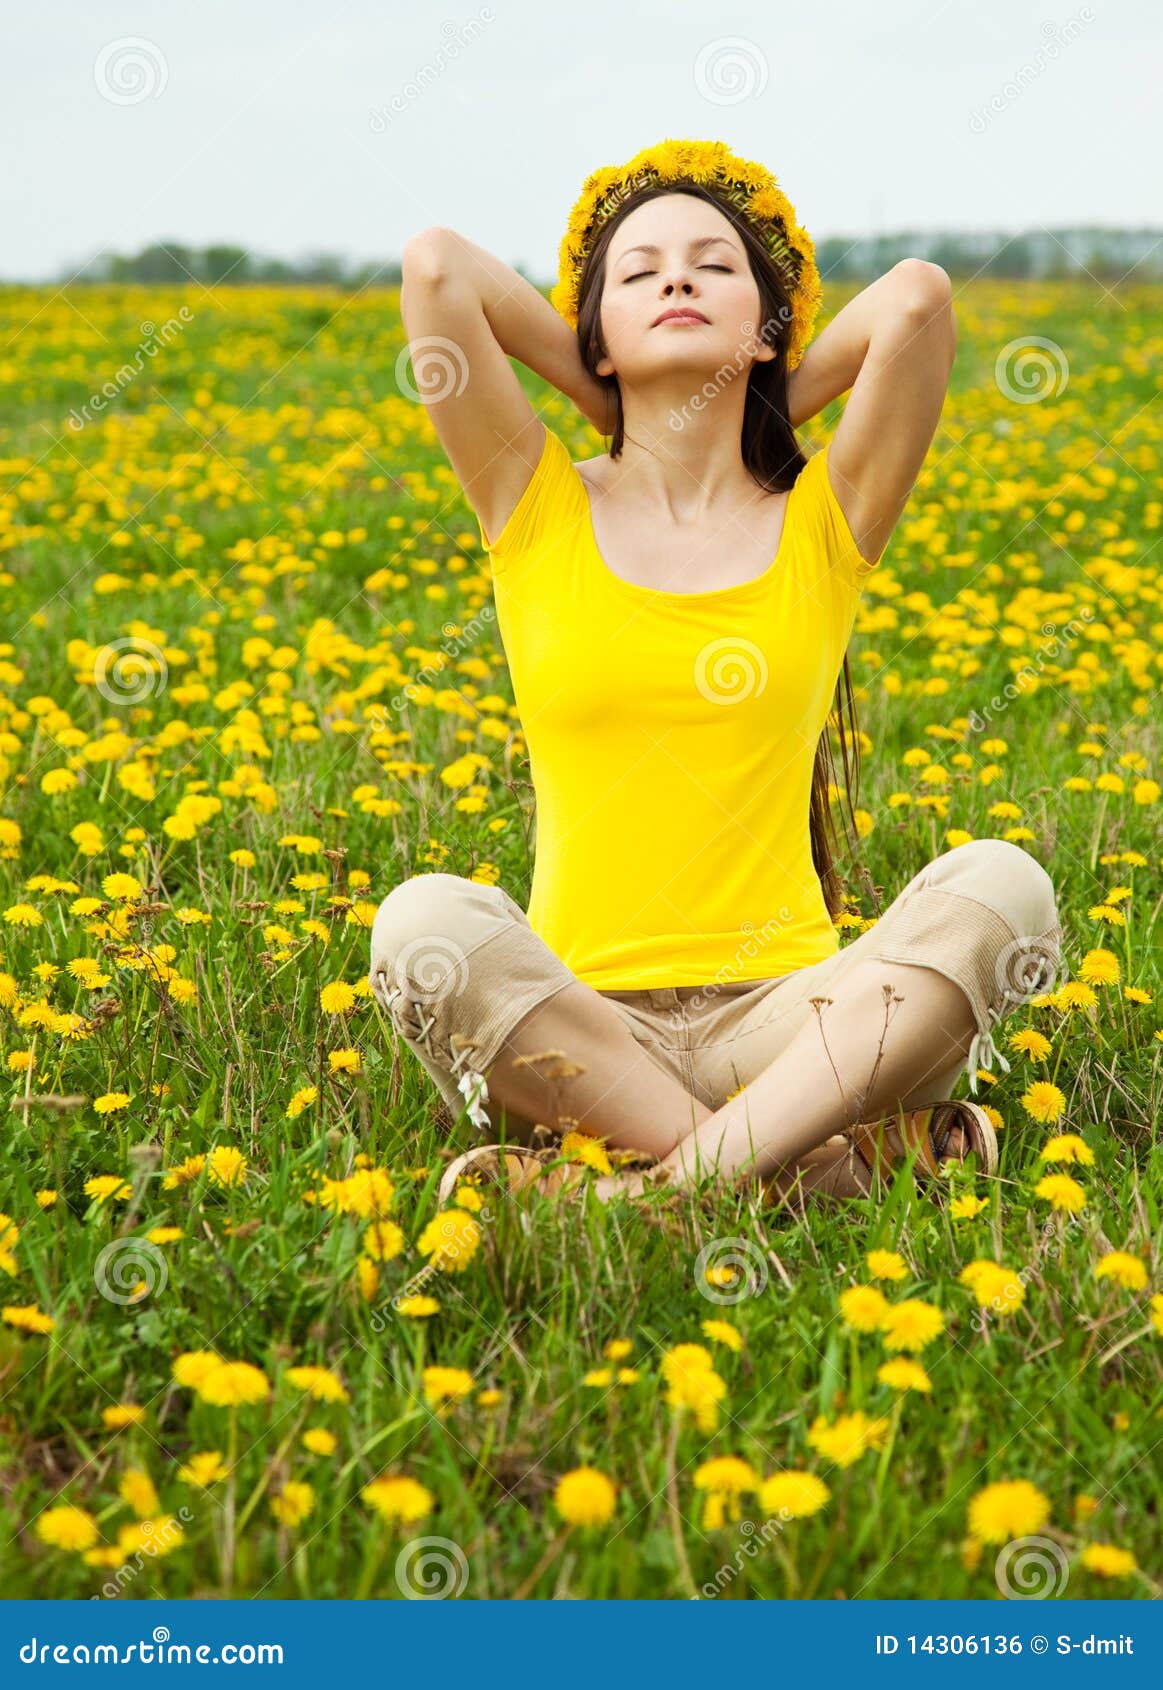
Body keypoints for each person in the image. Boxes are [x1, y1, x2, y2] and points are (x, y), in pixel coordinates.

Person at [369, 139, 1063, 1210]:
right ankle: (818, 1173)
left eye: (712, 265)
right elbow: (434, 269)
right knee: (423, 923)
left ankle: (641, 1196)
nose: (676, 278)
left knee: (1001, 888)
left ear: (769, 319)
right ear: (591, 330)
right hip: (582, 1031)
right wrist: (607, 394)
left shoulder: (818, 521)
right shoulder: (534, 499)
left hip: (792, 1029)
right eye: (638, 274)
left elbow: (917, 302)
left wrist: (765, 389)